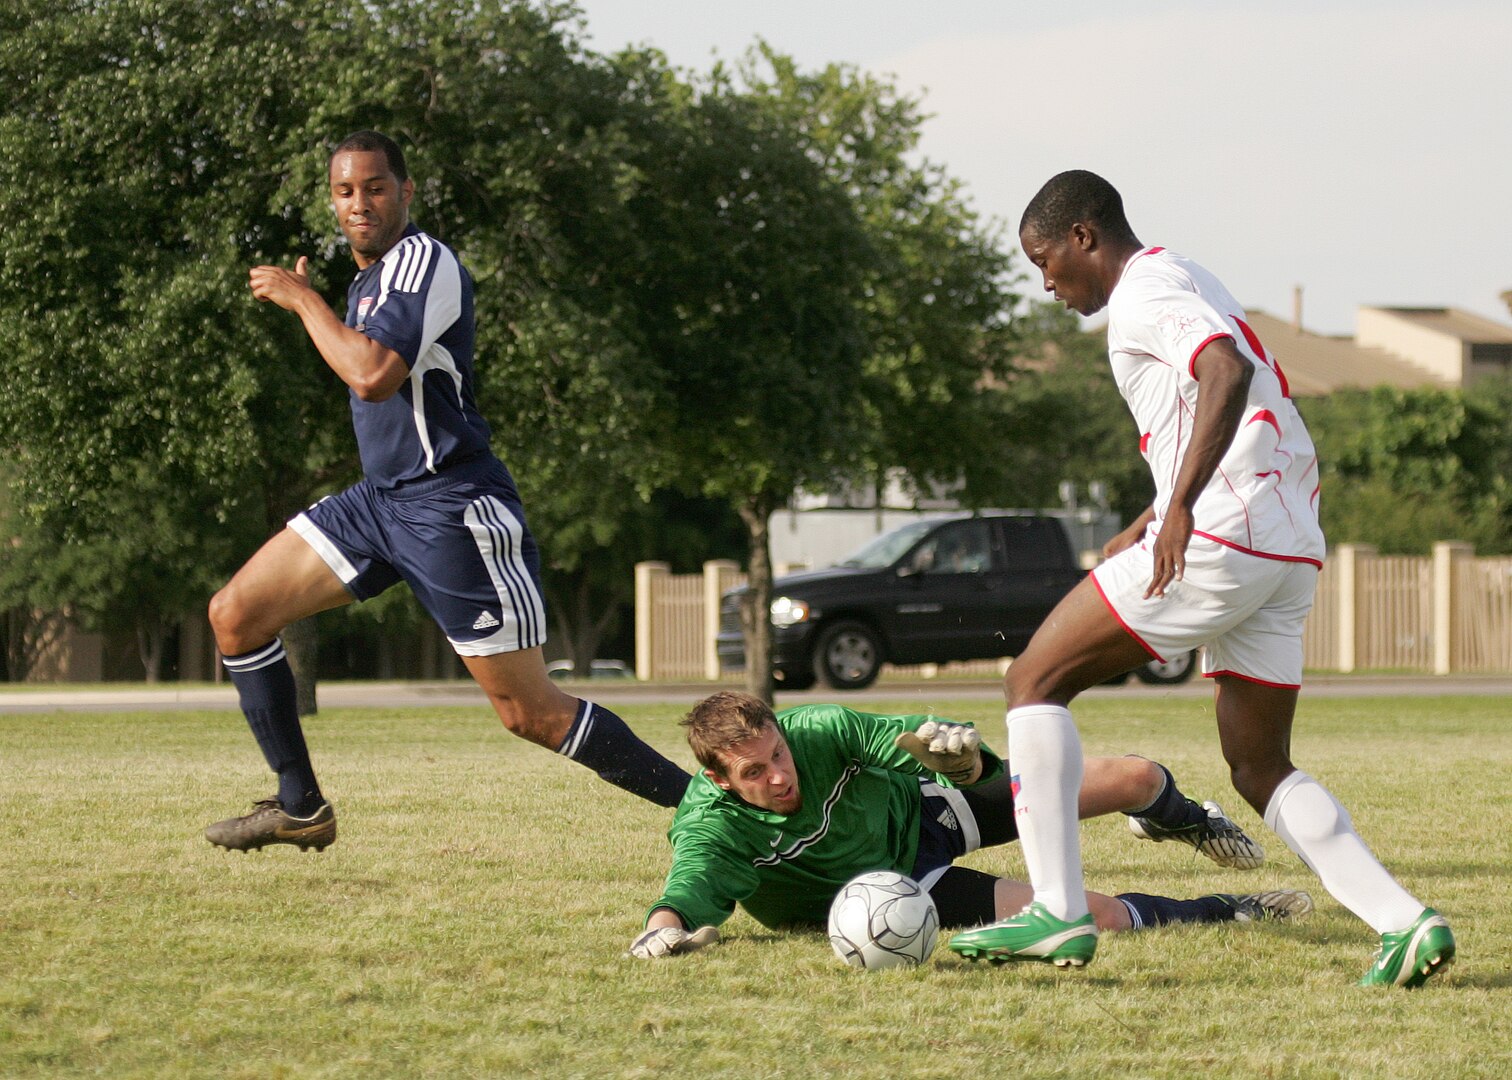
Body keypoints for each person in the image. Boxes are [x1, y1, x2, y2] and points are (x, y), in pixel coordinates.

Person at [948, 170, 1453, 988]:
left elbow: (1224, 372)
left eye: (1046, 261)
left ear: (1084, 236)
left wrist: (1180, 506)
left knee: (1032, 679)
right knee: (1258, 766)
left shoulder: (1143, 293)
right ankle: (1407, 922)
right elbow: (1217, 399)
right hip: (1284, 542)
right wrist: (1157, 510)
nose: (1046, 283)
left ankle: (1056, 912)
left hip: (1223, 530)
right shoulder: (1186, 273)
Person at [204, 130, 690, 853]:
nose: (359, 203)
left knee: (531, 713)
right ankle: (300, 804)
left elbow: (372, 375)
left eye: (374, 187)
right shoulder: (368, 283)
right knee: (236, 614)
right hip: (380, 503)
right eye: (344, 191)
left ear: (406, 191)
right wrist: (320, 303)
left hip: (449, 506)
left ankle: (714, 811)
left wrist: (303, 301)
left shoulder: (423, 261)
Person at [627, 691, 1310, 959]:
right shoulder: (710, 823)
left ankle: (1183, 819)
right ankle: (1230, 911)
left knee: (1135, 776)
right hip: (902, 884)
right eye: (754, 773)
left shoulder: (819, 730)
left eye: (777, 753)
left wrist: (960, 759)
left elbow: (919, 746)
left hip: (921, 811)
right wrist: (662, 935)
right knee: (1088, 915)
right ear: (719, 780)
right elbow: (687, 889)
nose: (778, 775)